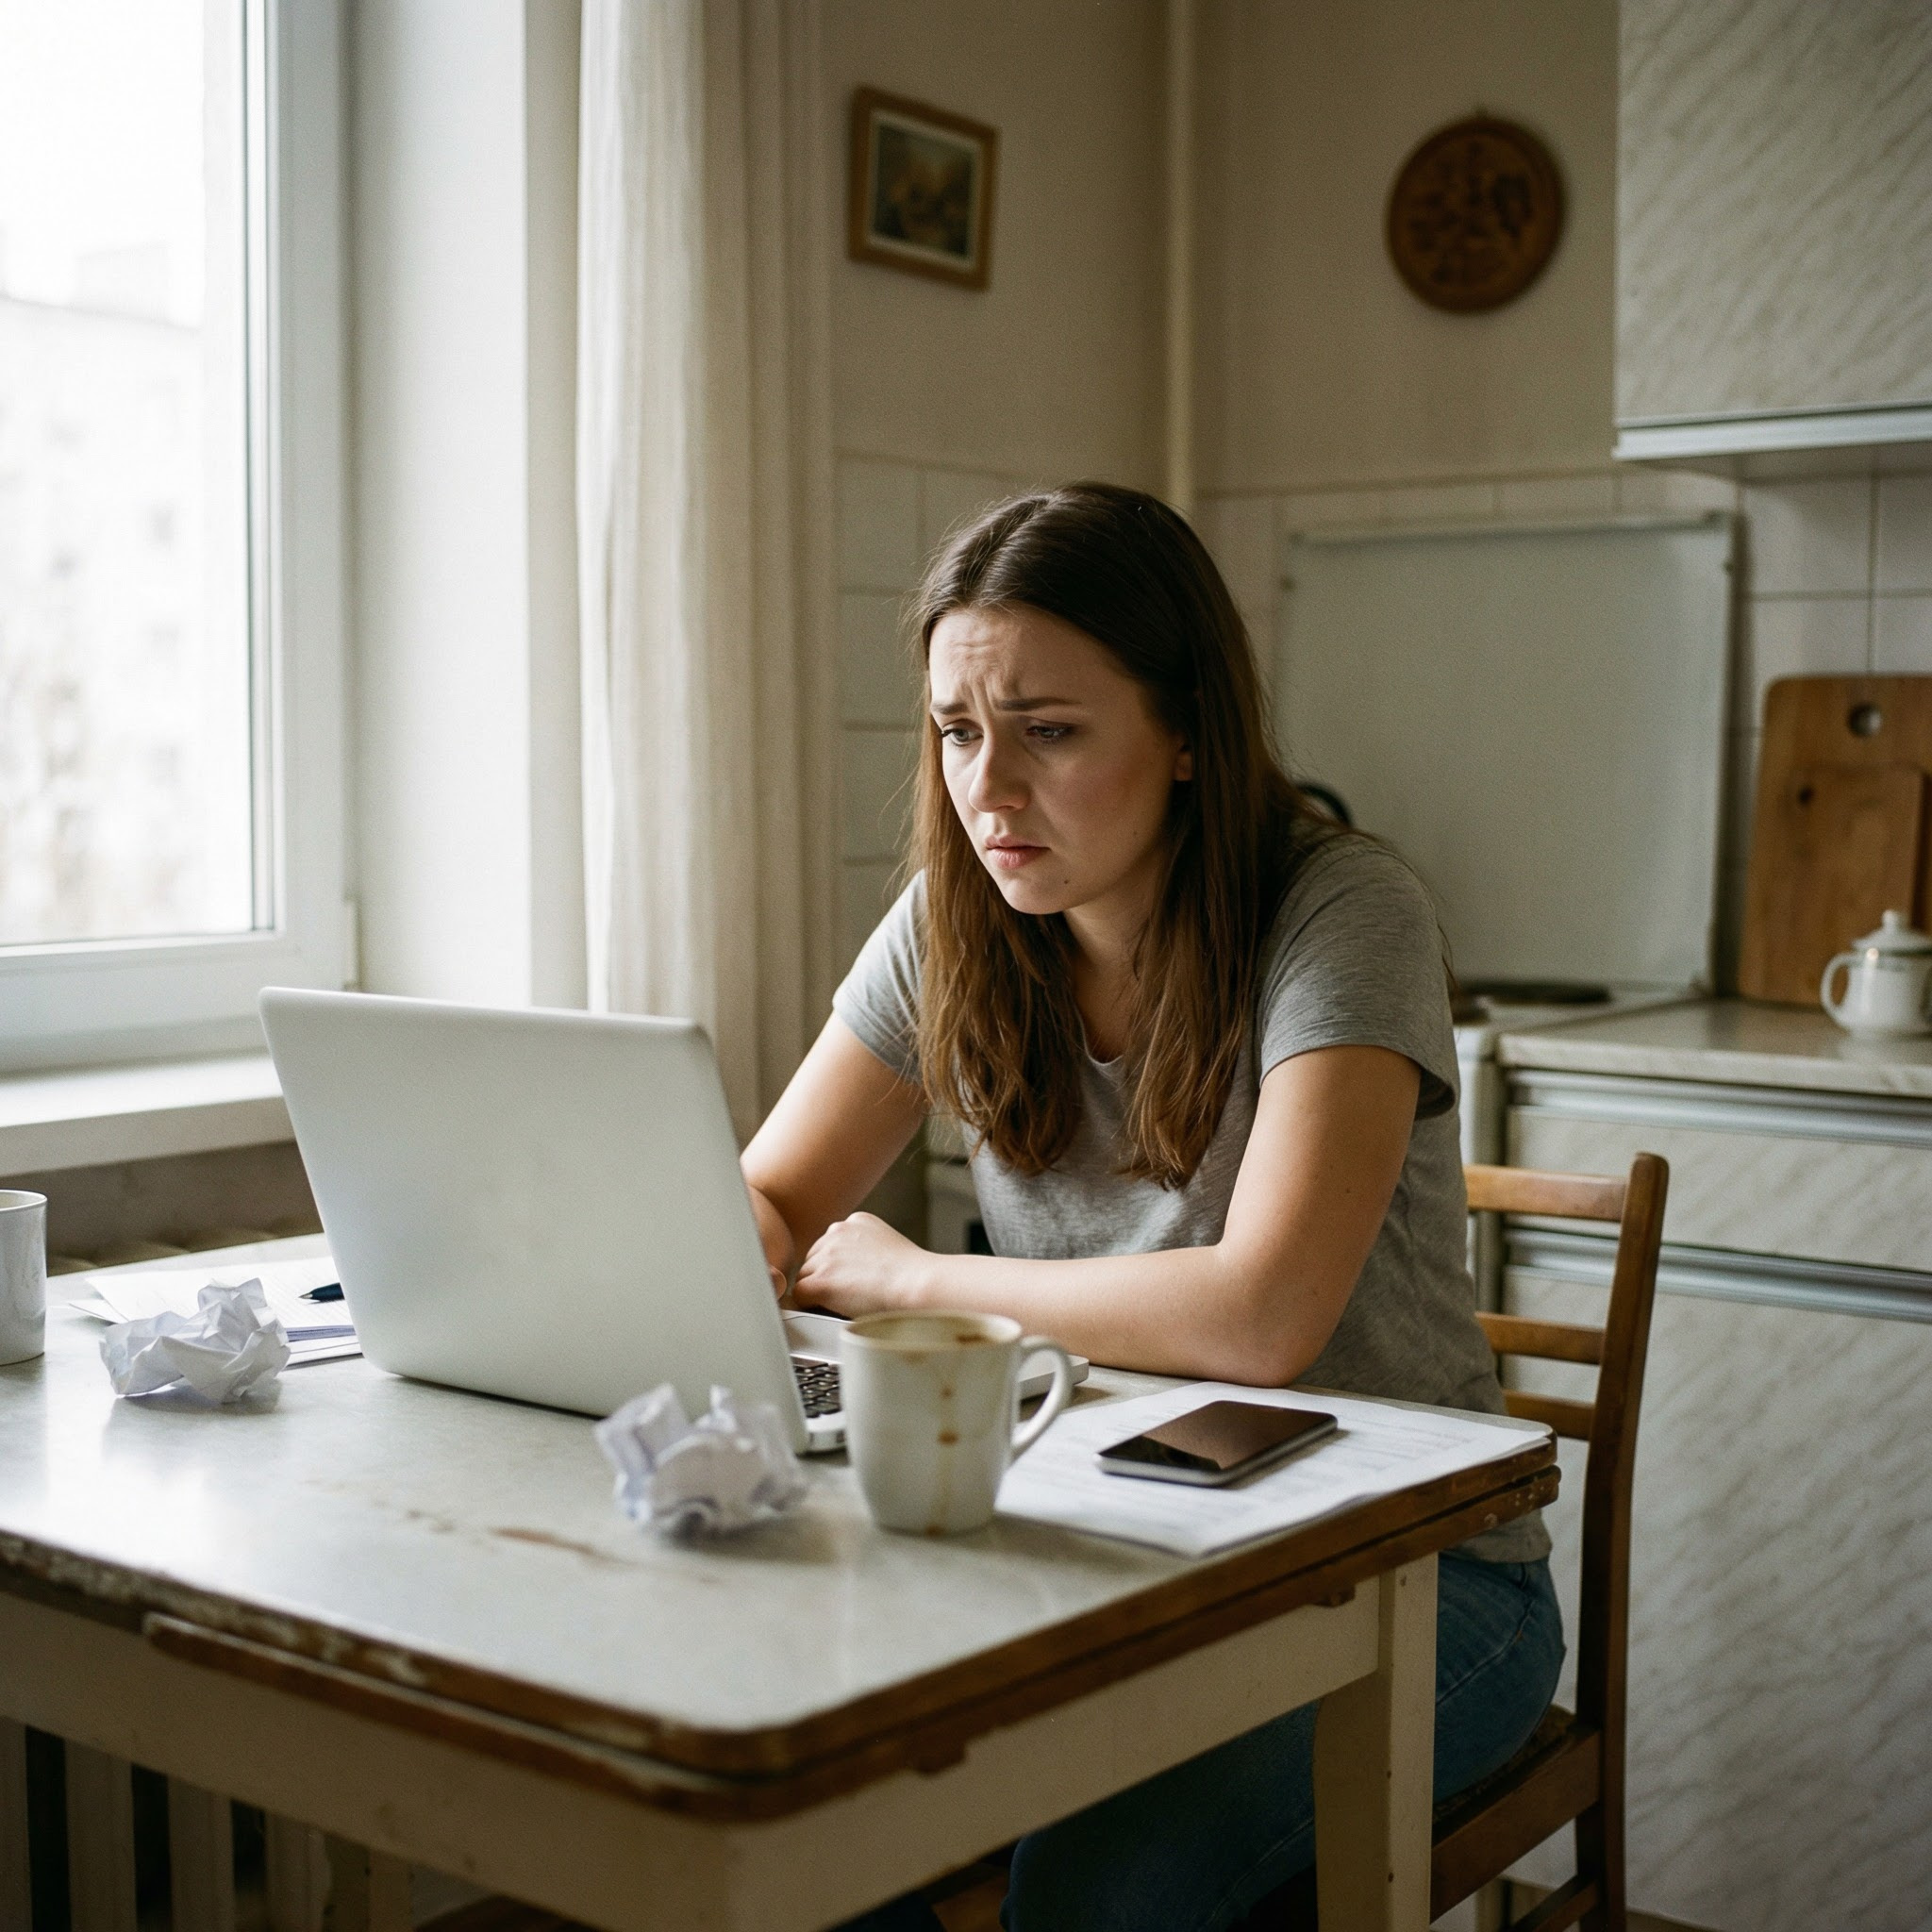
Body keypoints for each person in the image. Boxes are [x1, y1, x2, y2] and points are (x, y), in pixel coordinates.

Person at [740, 482, 1561, 1932]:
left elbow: (1262, 1316)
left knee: (1097, 1890)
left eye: (1049, 732)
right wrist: (708, 1242)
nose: (987, 790)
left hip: (1420, 1588)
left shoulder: (1343, 911)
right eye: (957, 731)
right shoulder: (955, 919)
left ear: (1187, 732)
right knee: (802, 1819)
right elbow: (771, 1194)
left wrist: (920, 1282)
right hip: (1123, 1548)